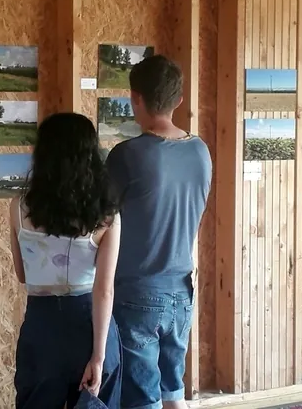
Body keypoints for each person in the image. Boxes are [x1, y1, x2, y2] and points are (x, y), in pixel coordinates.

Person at [105, 55, 212, 409]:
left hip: (137, 293)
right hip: (182, 291)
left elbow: (101, 218)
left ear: (135, 98)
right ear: (179, 100)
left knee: (140, 398)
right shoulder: (200, 151)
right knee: (173, 391)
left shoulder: (126, 156)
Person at [10, 112, 123, 409]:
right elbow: (104, 291)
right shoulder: (106, 216)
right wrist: (98, 357)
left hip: (41, 325)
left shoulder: (19, 207)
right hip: (89, 323)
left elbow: (22, 274)